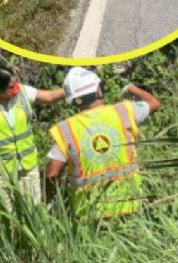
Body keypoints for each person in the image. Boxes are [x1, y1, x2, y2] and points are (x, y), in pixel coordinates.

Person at [45, 68, 161, 219]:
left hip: (89, 212)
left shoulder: (65, 130)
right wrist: (130, 88)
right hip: (130, 204)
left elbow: (52, 174)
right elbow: (154, 103)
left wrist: (48, 200)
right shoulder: (124, 111)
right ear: (98, 91)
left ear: (72, 99)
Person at [0, 64, 66, 209]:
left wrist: (71, 89)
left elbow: (49, 97)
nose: (15, 88)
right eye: (10, 87)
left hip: (26, 168)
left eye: (15, 82)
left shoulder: (23, 92)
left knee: (33, 210)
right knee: (1, 216)